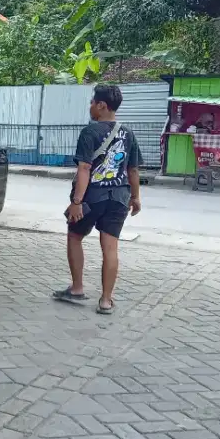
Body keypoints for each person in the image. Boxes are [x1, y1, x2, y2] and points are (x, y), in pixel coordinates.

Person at [53, 84, 142, 315]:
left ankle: (77, 288)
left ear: (102, 105)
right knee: (110, 248)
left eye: (92, 102)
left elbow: (84, 168)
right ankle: (105, 300)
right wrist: (136, 197)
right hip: (119, 198)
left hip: (92, 198)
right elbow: (133, 170)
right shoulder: (128, 133)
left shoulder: (90, 132)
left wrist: (76, 202)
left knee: (74, 236)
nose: (90, 106)